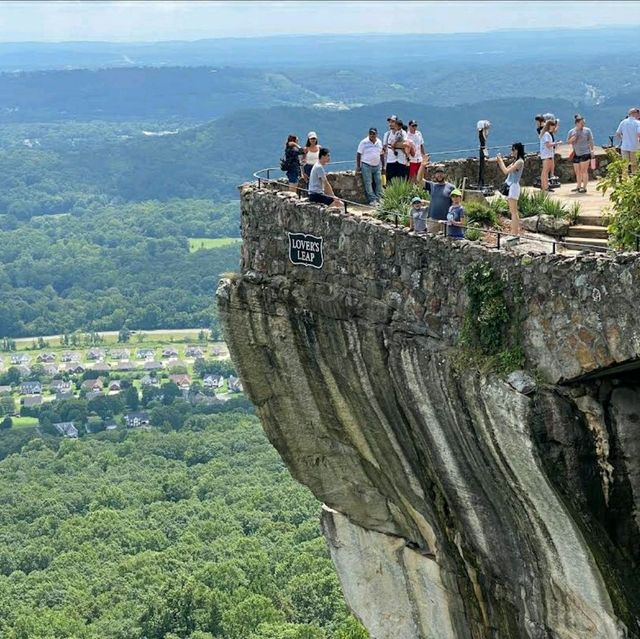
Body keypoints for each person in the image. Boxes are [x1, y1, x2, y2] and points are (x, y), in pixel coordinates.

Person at [416, 158, 455, 234]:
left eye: (441, 173)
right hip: (433, 220)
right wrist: (422, 165)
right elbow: (419, 179)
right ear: (435, 175)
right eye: (437, 173)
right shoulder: (432, 185)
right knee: (431, 242)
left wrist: (452, 218)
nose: (439, 175)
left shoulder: (451, 187)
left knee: (446, 243)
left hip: (446, 221)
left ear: (445, 174)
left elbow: (455, 203)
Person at [497, 142, 525, 235]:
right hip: (511, 186)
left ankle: (514, 232)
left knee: (514, 212)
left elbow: (505, 171)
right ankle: (514, 232)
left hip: (514, 187)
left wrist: (500, 161)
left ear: (517, 150)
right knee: (512, 211)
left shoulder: (520, 162)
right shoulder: (515, 161)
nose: (512, 151)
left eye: (513, 149)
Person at [355, 127, 384, 205]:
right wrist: (358, 166)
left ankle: (378, 198)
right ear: (369, 134)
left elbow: (381, 154)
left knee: (378, 181)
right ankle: (372, 199)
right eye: (371, 133)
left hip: (377, 165)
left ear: (376, 134)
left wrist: (383, 165)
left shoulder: (379, 142)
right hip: (366, 165)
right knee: (368, 182)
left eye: (374, 133)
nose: (372, 135)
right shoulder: (364, 142)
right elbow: (359, 154)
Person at [567, 114, 594, 193]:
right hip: (576, 153)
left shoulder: (587, 130)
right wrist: (572, 139)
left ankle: (584, 187)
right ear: (577, 123)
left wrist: (592, 150)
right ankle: (578, 186)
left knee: (584, 171)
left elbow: (591, 141)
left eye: (584, 123)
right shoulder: (571, 132)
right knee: (577, 172)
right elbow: (568, 142)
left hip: (585, 152)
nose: (583, 124)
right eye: (582, 123)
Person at [382, 115, 410, 182]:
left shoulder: (403, 133)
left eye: (393, 122)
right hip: (390, 161)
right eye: (390, 122)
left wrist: (393, 145)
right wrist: (399, 145)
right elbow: (384, 147)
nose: (390, 124)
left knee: (401, 182)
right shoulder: (387, 134)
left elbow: (406, 144)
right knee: (390, 182)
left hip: (401, 161)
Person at [615, 107, 640, 176]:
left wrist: (623, 139)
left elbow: (617, 133)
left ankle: (625, 180)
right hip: (634, 147)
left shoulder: (623, 122)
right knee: (634, 165)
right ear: (635, 113)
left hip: (624, 147)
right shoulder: (638, 123)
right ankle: (633, 181)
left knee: (624, 165)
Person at [539, 119, 562, 192]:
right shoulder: (546, 134)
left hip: (547, 155)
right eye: (553, 126)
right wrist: (556, 143)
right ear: (550, 126)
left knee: (545, 171)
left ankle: (545, 186)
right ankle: (545, 187)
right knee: (545, 171)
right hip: (546, 155)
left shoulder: (546, 133)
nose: (554, 128)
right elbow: (548, 145)